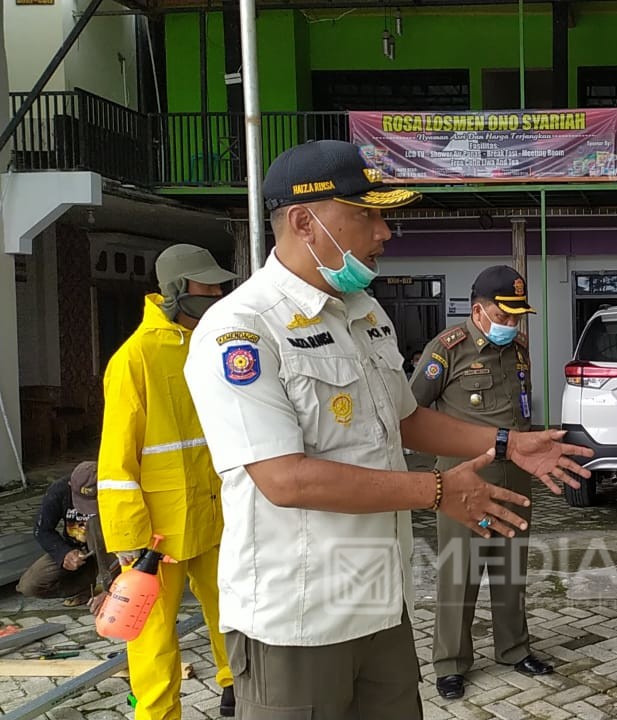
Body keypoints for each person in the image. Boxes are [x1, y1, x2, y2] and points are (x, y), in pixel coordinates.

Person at [183, 139, 591, 720]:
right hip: (299, 616)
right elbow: (284, 480)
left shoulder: (365, 313)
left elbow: (406, 419)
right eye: (367, 214)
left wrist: (506, 443)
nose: (385, 232)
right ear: (304, 221)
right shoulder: (242, 331)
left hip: (382, 601)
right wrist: (439, 491)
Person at [98, 243, 238, 719]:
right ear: (177, 291)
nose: (218, 293)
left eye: (220, 285)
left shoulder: (210, 343)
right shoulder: (134, 359)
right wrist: (129, 540)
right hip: (156, 535)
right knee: (153, 638)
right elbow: (115, 464)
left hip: (213, 512)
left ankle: (235, 688)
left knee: (232, 612)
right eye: (208, 286)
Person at [410, 265, 551, 700]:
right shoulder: (447, 350)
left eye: (517, 317)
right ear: (478, 310)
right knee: (460, 571)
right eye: (504, 315)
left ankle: (514, 648)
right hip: (463, 479)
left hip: (515, 475)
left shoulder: (518, 350)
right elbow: (413, 411)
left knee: (510, 570)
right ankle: (451, 662)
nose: (512, 324)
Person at [16, 461, 114, 608]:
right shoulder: (59, 490)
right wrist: (64, 553)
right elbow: (41, 530)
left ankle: (115, 591)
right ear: (70, 485)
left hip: (110, 549)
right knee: (29, 585)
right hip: (77, 550)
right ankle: (84, 587)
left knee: (94, 524)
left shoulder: (115, 488)